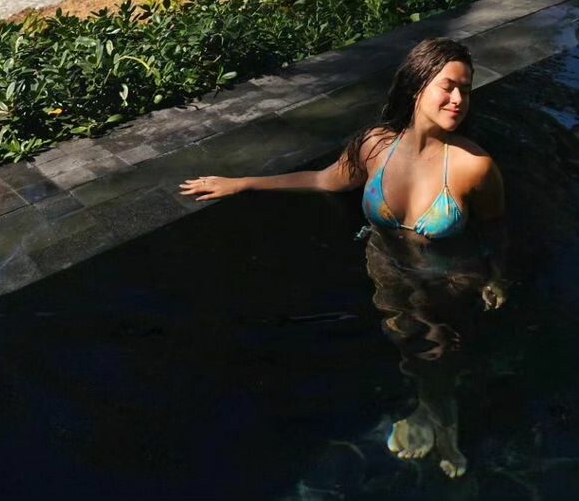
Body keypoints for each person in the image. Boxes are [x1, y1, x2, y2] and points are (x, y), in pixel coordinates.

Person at [178, 36, 508, 481]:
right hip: (386, 268)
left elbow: (495, 228)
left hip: (445, 276)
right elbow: (324, 180)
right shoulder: (375, 146)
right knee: (404, 343)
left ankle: (445, 425)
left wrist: (496, 276)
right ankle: (425, 406)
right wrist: (242, 183)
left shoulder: (474, 165)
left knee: (436, 351)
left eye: (465, 90)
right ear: (417, 86)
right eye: (448, 86)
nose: (458, 100)